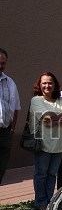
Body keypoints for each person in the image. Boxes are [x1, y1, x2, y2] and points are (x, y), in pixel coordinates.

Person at [30, 72, 62, 210]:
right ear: (40, 85)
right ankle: (40, 202)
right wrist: (61, 118)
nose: (47, 85)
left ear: (54, 85)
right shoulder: (37, 100)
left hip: (60, 144)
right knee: (41, 174)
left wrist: (54, 120)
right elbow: (46, 118)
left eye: (50, 83)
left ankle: (49, 200)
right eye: (44, 83)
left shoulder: (61, 100)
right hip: (43, 143)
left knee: (52, 174)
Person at [0, 48, 21, 185]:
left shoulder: (10, 83)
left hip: (5, 133)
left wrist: (12, 130)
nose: (0, 66)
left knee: (1, 169)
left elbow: (16, 108)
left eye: (3, 63)